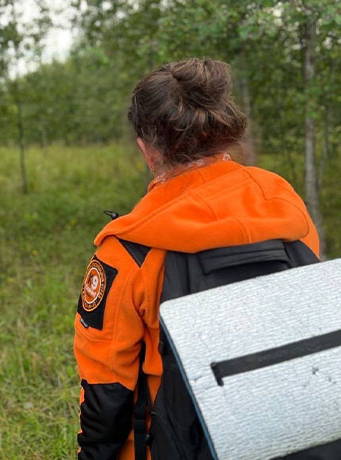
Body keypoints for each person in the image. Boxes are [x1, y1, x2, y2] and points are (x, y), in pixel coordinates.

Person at [73, 58, 320, 460]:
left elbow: (106, 390)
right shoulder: (284, 207)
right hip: (293, 432)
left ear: (147, 150)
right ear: (223, 134)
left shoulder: (127, 252)